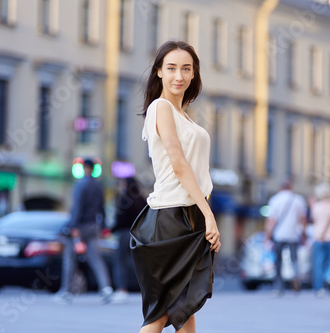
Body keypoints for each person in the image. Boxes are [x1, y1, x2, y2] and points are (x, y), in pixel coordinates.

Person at [130, 40, 220, 333]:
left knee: (184, 309)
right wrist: (209, 214)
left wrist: (202, 213)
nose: (178, 75)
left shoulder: (184, 116)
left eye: (186, 69)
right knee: (161, 312)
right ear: (158, 72)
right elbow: (179, 164)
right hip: (171, 217)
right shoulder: (160, 108)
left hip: (189, 216)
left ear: (194, 74)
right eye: (171, 68)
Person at [53, 158, 113, 305]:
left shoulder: (80, 185)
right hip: (93, 226)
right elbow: (102, 208)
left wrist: (73, 226)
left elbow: (77, 207)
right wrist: (103, 225)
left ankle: (66, 291)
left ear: (84, 168)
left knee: (70, 258)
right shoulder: (98, 186)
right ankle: (106, 289)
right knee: (95, 258)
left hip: (79, 227)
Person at [265, 178, 308, 295]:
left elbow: (271, 221)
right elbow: (303, 219)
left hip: (279, 235)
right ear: (291, 187)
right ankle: (295, 279)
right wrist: (304, 234)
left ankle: (279, 286)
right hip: (293, 235)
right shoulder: (298, 200)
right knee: (294, 260)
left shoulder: (275, 200)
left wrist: (267, 236)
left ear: (280, 187)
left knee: (278, 261)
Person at [111, 177, 146, 304]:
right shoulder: (142, 200)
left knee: (120, 262)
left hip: (125, 233)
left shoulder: (124, 199)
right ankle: (148, 287)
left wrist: (111, 230)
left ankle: (121, 289)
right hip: (139, 235)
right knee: (137, 262)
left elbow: (120, 219)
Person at [311, 182, 330, 297]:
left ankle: (319, 287)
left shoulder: (316, 206)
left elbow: (314, 220)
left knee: (318, 263)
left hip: (318, 237)